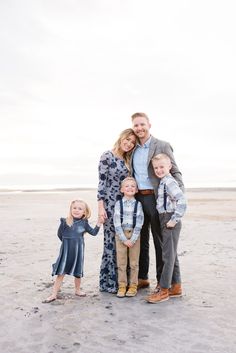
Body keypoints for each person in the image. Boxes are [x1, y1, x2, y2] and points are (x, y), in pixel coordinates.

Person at [130, 112, 184, 291]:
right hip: (138, 198)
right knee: (141, 239)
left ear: (149, 125)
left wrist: (179, 195)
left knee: (161, 242)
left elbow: (175, 172)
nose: (139, 128)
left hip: (156, 199)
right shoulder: (132, 149)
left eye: (142, 124)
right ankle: (142, 278)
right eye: (136, 125)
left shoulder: (162, 145)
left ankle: (166, 284)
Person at [97, 128, 137, 293]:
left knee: (123, 242)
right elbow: (101, 183)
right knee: (110, 242)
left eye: (132, 142)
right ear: (121, 138)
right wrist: (101, 207)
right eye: (127, 139)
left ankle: (125, 282)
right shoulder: (107, 155)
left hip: (126, 206)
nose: (128, 144)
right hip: (110, 205)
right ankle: (109, 282)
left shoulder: (128, 159)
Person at [146, 153, 187, 303]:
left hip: (170, 219)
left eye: (162, 167)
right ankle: (176, 287)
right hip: (164, 218)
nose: (159, 170)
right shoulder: (163, 181)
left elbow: (182, 201)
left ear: (169, 166)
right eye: (156, 168)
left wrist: (174, 219)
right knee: (172, 254)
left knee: (167, 256)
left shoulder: (169, 182)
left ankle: (164, 290)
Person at [42, 199, 101, 303]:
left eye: (80, 209)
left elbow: (94, 232)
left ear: (84, 212)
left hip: (78, 251)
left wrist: (99, 223)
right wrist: (66, 243)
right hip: (66, 251)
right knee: (61, 272)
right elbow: (59, 234)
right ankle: (54, 294)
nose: (76, 210)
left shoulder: (84, 223)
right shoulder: (65, 221)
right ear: (70, 209)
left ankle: (77, 290)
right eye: (74, 208)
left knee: (78, 271)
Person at [113, 177, 144, 298]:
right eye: (127, 186)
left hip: (134, 234)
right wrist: (124, 239)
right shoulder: (118, 204)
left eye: (133, 186)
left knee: (134, 263)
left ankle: (133, 286)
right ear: (122, 189)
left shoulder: (138, 204)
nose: (130, 188)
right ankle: (122, 286)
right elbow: (116, 222)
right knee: (121, 262)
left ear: (136, 190)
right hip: (121, 235)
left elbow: (140, 222)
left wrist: (133, 238)